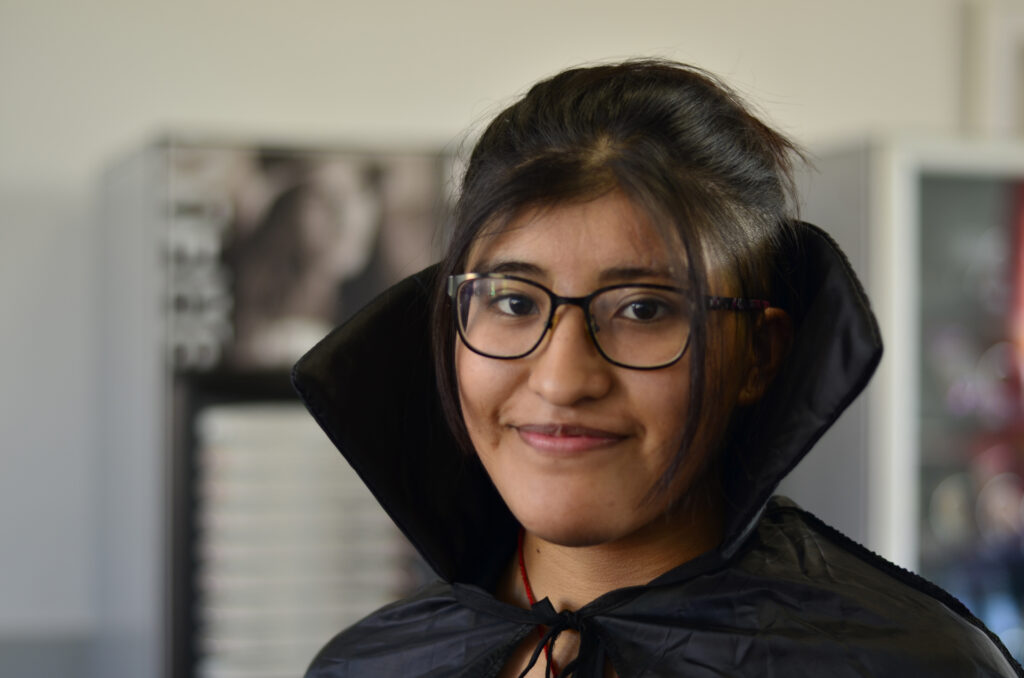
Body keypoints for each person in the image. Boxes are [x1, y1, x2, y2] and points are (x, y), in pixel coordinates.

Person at [292, 60, 1023, 677]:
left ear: (758, 354)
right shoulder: (367, 666)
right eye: (513, 301)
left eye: (643, 310)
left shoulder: (911, 666)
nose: (561, 380)